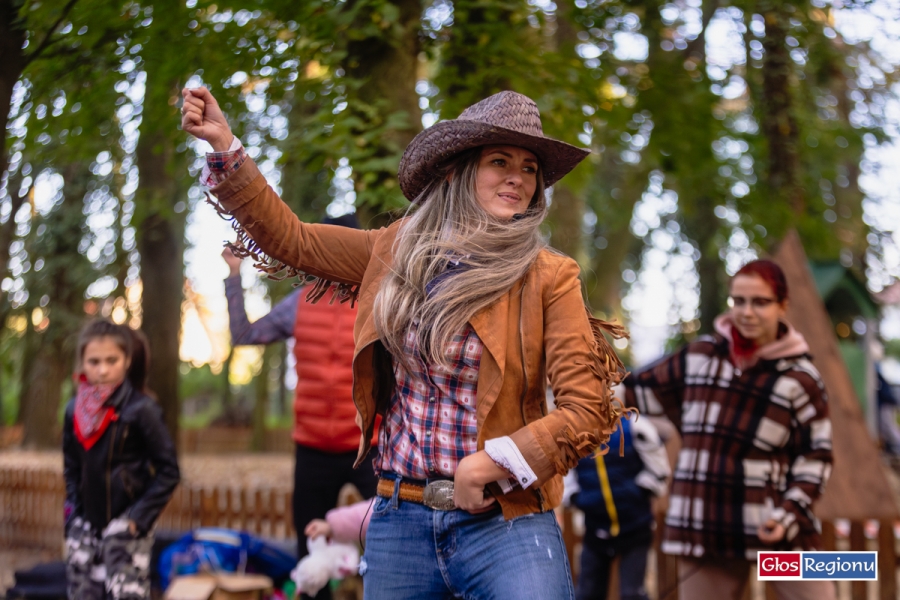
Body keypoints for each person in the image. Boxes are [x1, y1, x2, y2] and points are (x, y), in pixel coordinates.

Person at [180, 86, 626, 599]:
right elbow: (293, 240)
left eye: (529, 168)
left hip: (508, 521)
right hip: (400, 518)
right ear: (457, 169)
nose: (517, 178)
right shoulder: (396, 251)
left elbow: (587, 408)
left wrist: (493, 462)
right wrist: (224, 145)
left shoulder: (549, 275)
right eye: (499, 161)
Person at [622, 260, 834, 600]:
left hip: (774, 531)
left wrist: (788, 515)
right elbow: (632, 392)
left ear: (783, 305)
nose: (747, 312)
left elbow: (817, 458)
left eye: (760, 302)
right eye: (739, 301)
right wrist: (570, 384)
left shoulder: (802, 378)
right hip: (705, 528)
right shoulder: (701, 356)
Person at [221, 212, 377, 600]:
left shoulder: (379, 302)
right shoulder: (300, 303)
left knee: (388, 542)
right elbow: (245, 335)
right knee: (310, 555)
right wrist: (233, 275)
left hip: (369, 448)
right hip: (313, 450)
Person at [63, 319, 180, 600]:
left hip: (127, 529)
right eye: (93, 362)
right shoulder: (73, 411)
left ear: (127, 360)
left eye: (111, 360)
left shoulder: (142, 410)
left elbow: (169, 472)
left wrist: (136, 520)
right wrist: (75, 517)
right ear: (82, 362)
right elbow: (72, 468)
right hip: (86, 526)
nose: (102, 370)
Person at [564, 416, 670, 600]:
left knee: (632, 593)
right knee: (587, 592)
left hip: (635, 526)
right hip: (595, 528)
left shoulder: (635, 427)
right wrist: (579, 499)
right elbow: (564, 477)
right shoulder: (574, 435)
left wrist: (638, 493)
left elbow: (659, 470)